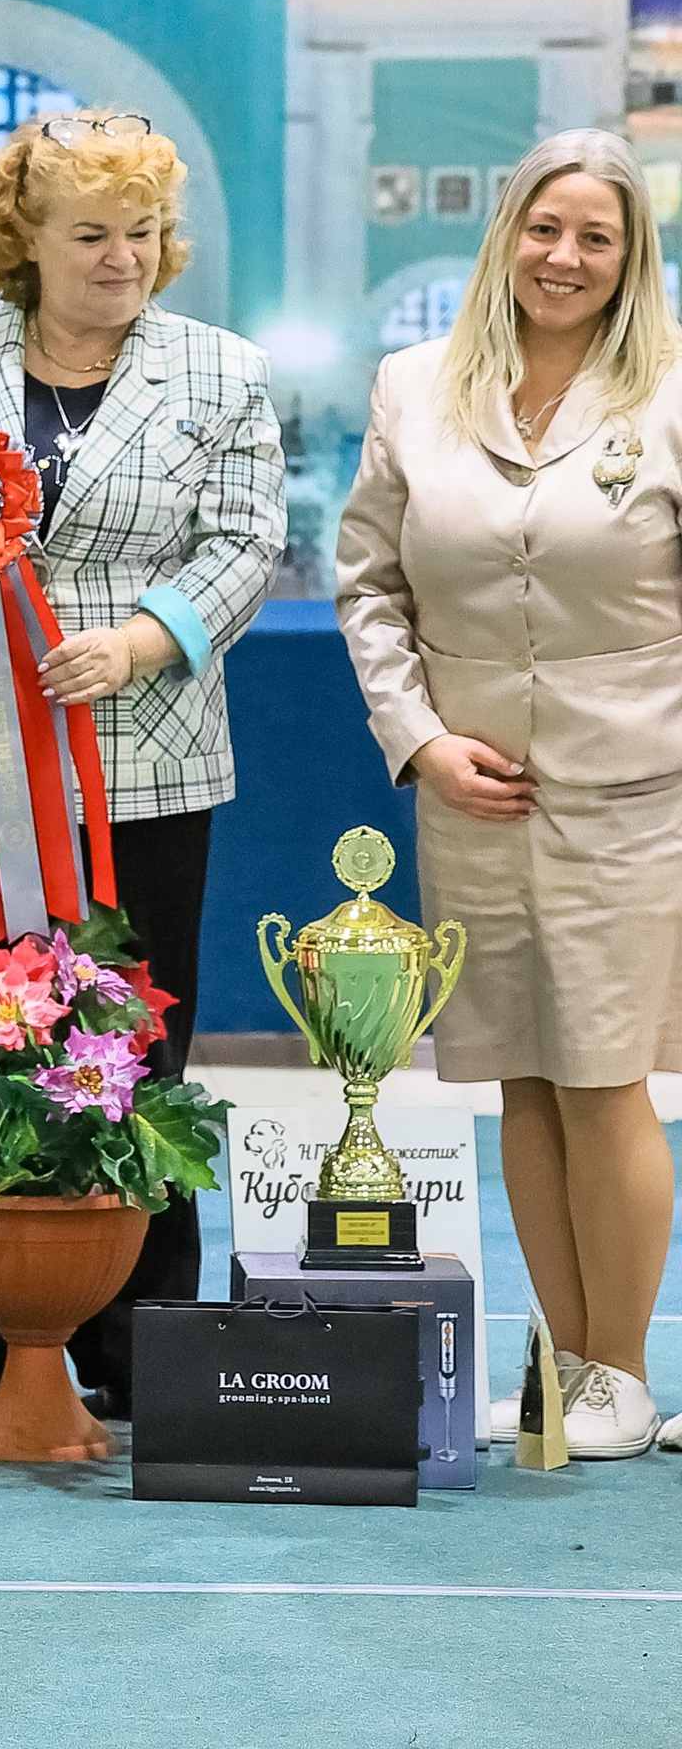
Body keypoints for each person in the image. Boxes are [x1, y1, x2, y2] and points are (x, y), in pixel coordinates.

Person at [0, 110, 285, 1423]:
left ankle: (140, 1330)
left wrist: (148, 639)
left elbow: (247, 548)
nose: (123, 259)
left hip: (145, 764)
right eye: (91, 234)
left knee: (136, 1050)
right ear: (22, 237)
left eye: (143, 233)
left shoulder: (221, 373)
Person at [337, 129, 682, 1462]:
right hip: (469, 796)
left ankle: (627, 1372)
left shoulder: (665, 390)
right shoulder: (414, 386)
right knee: (521, 1086)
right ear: (507, 237)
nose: (565, 258)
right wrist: (417, 739)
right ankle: (571, 1372)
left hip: (634, 795)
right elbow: (371, 585)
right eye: (546, 230)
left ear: (628, 255)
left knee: (605, 1081)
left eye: (597, 237)